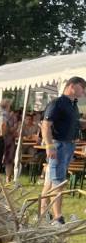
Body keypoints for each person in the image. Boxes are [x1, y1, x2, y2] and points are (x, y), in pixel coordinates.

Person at [40, 76, 86, 223]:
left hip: (69, 145)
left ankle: (43, 212)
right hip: (58, 145)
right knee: (58, 181)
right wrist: (49, 146)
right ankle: (58, 218)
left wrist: (81, 123)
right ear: (72, 86)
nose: (84, 91)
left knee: (51, 180)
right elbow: (45, 125)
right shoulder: (57, 103)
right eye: (82, 87)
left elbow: (71, 122)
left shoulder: (73, 104)